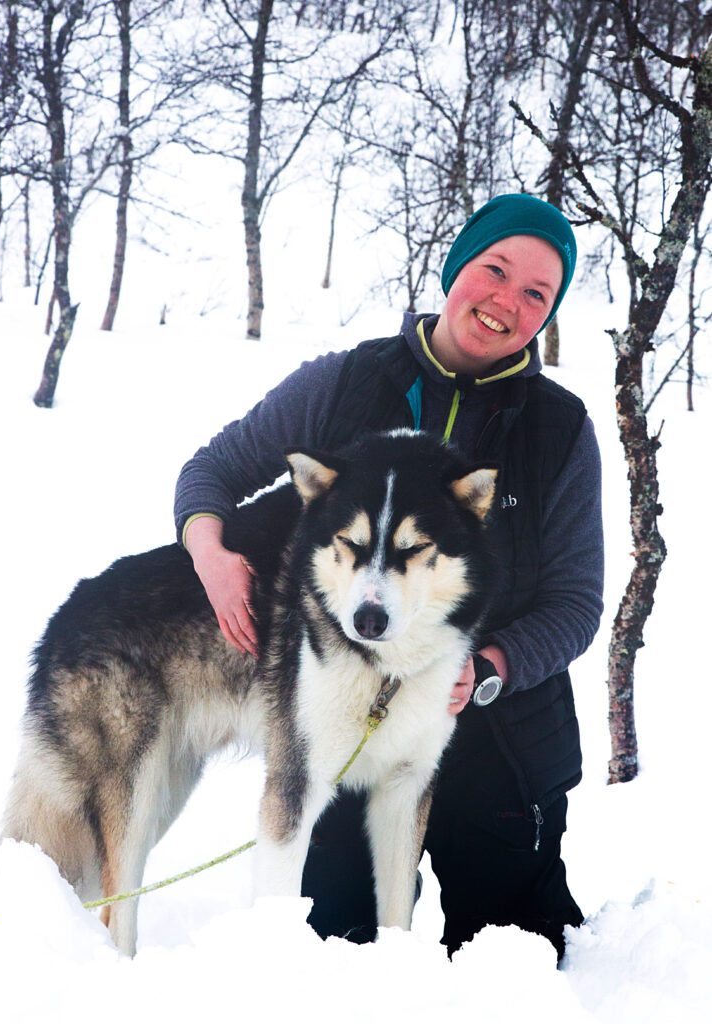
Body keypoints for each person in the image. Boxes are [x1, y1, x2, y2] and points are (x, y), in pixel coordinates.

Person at [174, 193, 603, 961]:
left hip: (497, 731)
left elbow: (577, 601)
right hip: (349, 714)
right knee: (335, 946)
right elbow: (215, 469)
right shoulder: (345, 381)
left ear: (549, 313)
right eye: (494, 269)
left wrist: (491, 667)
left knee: (513, 960)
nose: (507, 301)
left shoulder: (558, 428)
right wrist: (209, 552)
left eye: (537, 293)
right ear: (457, 268)